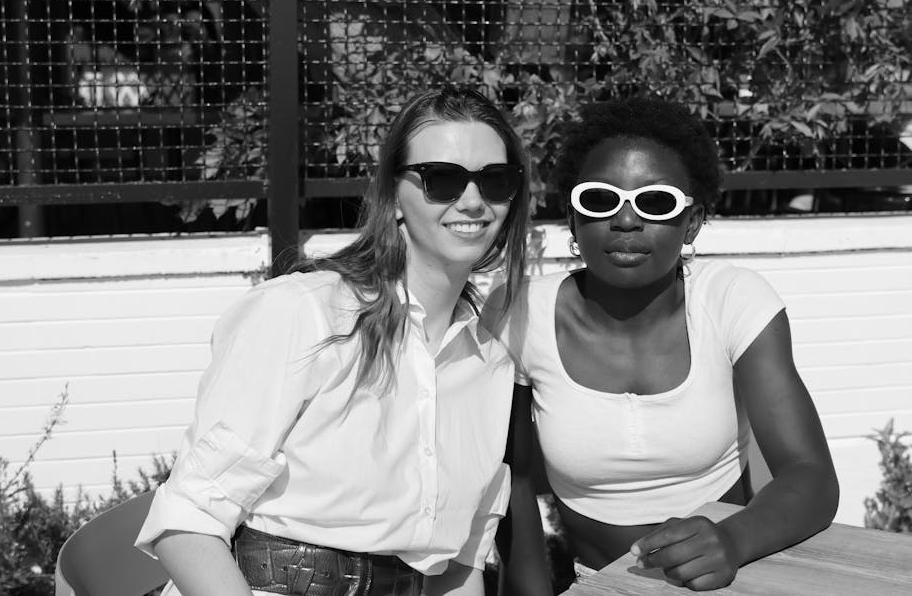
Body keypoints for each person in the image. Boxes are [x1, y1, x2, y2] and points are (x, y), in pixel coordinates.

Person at [134, 86, 531, 596]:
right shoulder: (303, 314)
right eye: (443, 180)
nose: (473, 201)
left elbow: (457, 567)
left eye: (495, 180)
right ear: (393, 196)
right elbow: (187, 521)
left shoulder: (490, 361)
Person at [487, 97, 839, 593]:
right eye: (599, 200)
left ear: (691, 223)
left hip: (734, 579)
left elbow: (811, 477)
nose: (626, 221)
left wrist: (733, 540)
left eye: (655, 203)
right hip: (595, 583)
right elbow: (514, 485)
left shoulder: (732, 300)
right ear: (572, 220)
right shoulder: (522, 315)